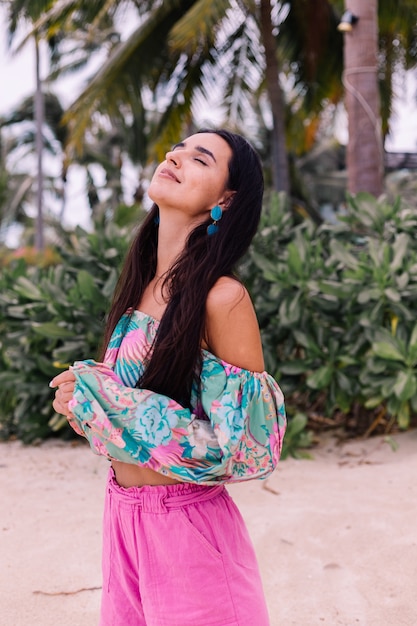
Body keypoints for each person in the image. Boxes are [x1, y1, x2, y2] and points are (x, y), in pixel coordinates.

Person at [50, 128, 286, 626]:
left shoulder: (222, 300)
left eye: (199, 158)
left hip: (189, 526)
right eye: (176, 149)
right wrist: (85, 405)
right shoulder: (139, 289)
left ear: (226, 198)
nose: (176, 157)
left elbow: (245, 445)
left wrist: (113, 402)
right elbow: (125, 428)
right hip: (122, 517)